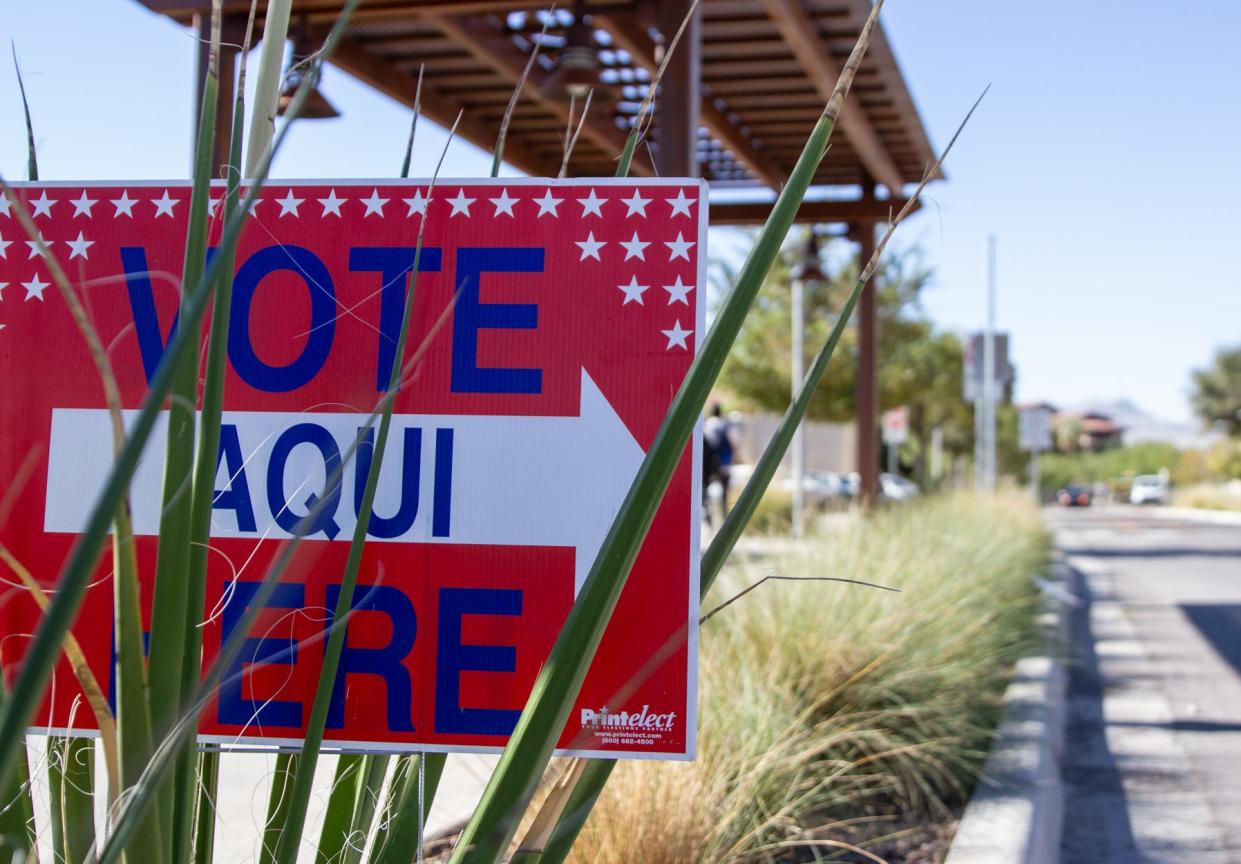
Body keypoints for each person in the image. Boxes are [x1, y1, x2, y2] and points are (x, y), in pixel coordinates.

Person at [702, 403, 735, 525]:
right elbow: (732, 444)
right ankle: (725, 521)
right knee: (724, 495)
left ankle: (708, 521)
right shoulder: (725, 425)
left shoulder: (705, 425)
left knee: (704, 494)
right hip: (724, 464)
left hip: (708, 466)